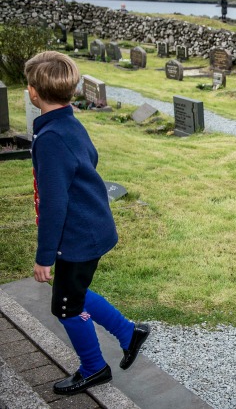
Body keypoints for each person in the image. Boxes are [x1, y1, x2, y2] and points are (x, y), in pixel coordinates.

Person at [26, 51, 150, 395]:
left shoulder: (51, 137)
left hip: (78, 235)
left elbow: (54, 204)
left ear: (35, 92)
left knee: (65, 306)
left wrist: (45, 256)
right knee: (72, 294)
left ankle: (95, 369)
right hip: (89, 226)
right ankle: (128, 333)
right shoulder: (67, 122)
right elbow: (89, 161)